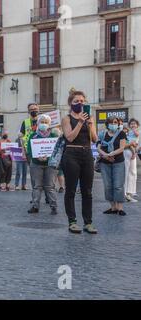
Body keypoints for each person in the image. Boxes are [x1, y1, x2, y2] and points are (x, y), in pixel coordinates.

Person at [60, 90, 98, 234]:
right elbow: (69, 137)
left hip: (87, 153)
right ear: (71, 104)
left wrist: (90, 124)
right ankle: (72, 221)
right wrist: (80, 122)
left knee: (87, 191)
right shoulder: (67, 119)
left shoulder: (89, 118)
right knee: (70, 190)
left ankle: (88, 223)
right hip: (71, 154)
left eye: (82, 101)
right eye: (77, 101)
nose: (80, 103)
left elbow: (94, 139)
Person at [26, 115, 58, 215]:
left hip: (50, 165)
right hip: (36, 164)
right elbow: (29, 150)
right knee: (37, 186)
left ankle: (54, 207)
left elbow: (57, 150)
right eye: (42, 122)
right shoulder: (33, 136)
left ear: (49, 124)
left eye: (46, 122)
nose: (43, 124)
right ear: (38, 123)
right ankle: (35, 206)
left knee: (50, 186)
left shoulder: (53, 136)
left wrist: (48, 158)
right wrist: (36, 157)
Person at [97, 116, 127, 216]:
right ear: (107, 124)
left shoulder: (121, 133)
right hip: (105, 163)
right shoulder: (102, 134)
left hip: (118, 162)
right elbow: (98, 148)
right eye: (111, 122)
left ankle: (120, 208)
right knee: (108, 186)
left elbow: (122, 148)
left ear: (118, 124)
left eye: (115, 122)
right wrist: (105, 155)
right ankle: (113, 207)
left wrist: (111, 154)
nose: (113, 124)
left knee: (118, 185)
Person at [124, 118, 139, 202]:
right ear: (129, 126)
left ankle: (131, 192)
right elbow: (129, 143)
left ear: (137, 125)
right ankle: (125, 193)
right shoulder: (130, 132)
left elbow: (137, 144)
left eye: (134, 124)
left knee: (133, 172)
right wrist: (133, 152)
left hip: (133, 152)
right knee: (126, 172)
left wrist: (135, 152)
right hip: (128, 152)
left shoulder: (136, 132)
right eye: (131, 124)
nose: (133, 125)